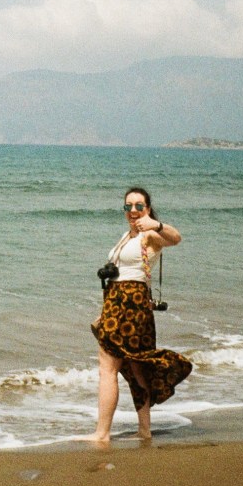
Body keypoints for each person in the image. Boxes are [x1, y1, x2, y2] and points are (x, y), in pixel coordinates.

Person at [89, 186, 192, 444]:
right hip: (120, 302)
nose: (133, 211)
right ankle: (144, 430)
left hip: (130, 302)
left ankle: (102, 434)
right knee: (137, 368)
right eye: (128, 206)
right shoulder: (128, 235)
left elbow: (177, 238)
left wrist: (155, 225)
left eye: (138, 206)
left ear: (147, 208)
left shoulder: (149, 236)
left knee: (108, 367)